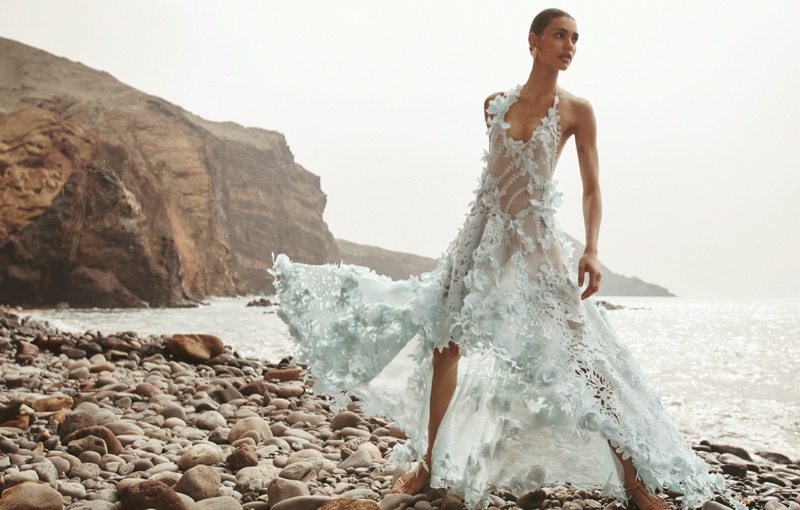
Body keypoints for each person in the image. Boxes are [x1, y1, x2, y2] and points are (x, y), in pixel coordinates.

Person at [271, 8, 729, 510]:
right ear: (533, 41)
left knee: (585, 361)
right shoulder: (493, 105)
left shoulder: (578, 110)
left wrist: (593, 248)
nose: (570, 45)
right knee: (446, 345)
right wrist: (472, 250)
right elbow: (493, 187)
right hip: (482, 241)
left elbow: (593, 188)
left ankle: (636, 483)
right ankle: (426, 465)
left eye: (576, 38)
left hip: (537, 245)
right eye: (560, 35)